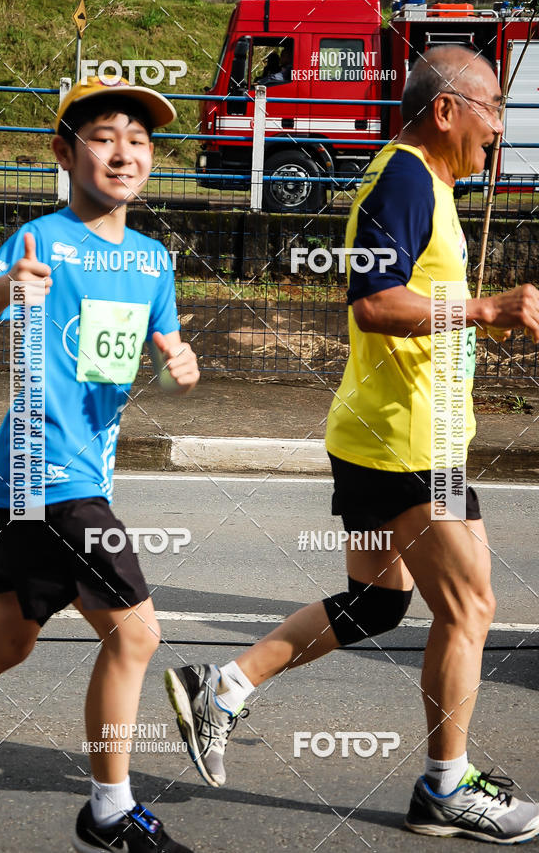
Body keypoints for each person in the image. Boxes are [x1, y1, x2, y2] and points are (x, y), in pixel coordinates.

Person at [164, 45, 539, 845]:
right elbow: (374, 303)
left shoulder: (421, 182)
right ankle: (446, 787)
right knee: (472, 606)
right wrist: (484, 311)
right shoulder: (405, 177)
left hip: (403, 432)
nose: (500, 131)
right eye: (492, 111)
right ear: (445, 110)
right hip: (409, 442)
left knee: (377, 604)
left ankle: (222, 687)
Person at [0, 76, 199, 853]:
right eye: (104, 136)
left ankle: (108, 809)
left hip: (83, 469)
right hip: (42, 470)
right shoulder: (39, 242)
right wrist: (2, 295)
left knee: (6, 641)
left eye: (140, 139)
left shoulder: (154, 259)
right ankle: (110, 811)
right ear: (64, 152)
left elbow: (152, 354)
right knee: (136, 634)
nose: (124, 152)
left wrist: (176, 364)